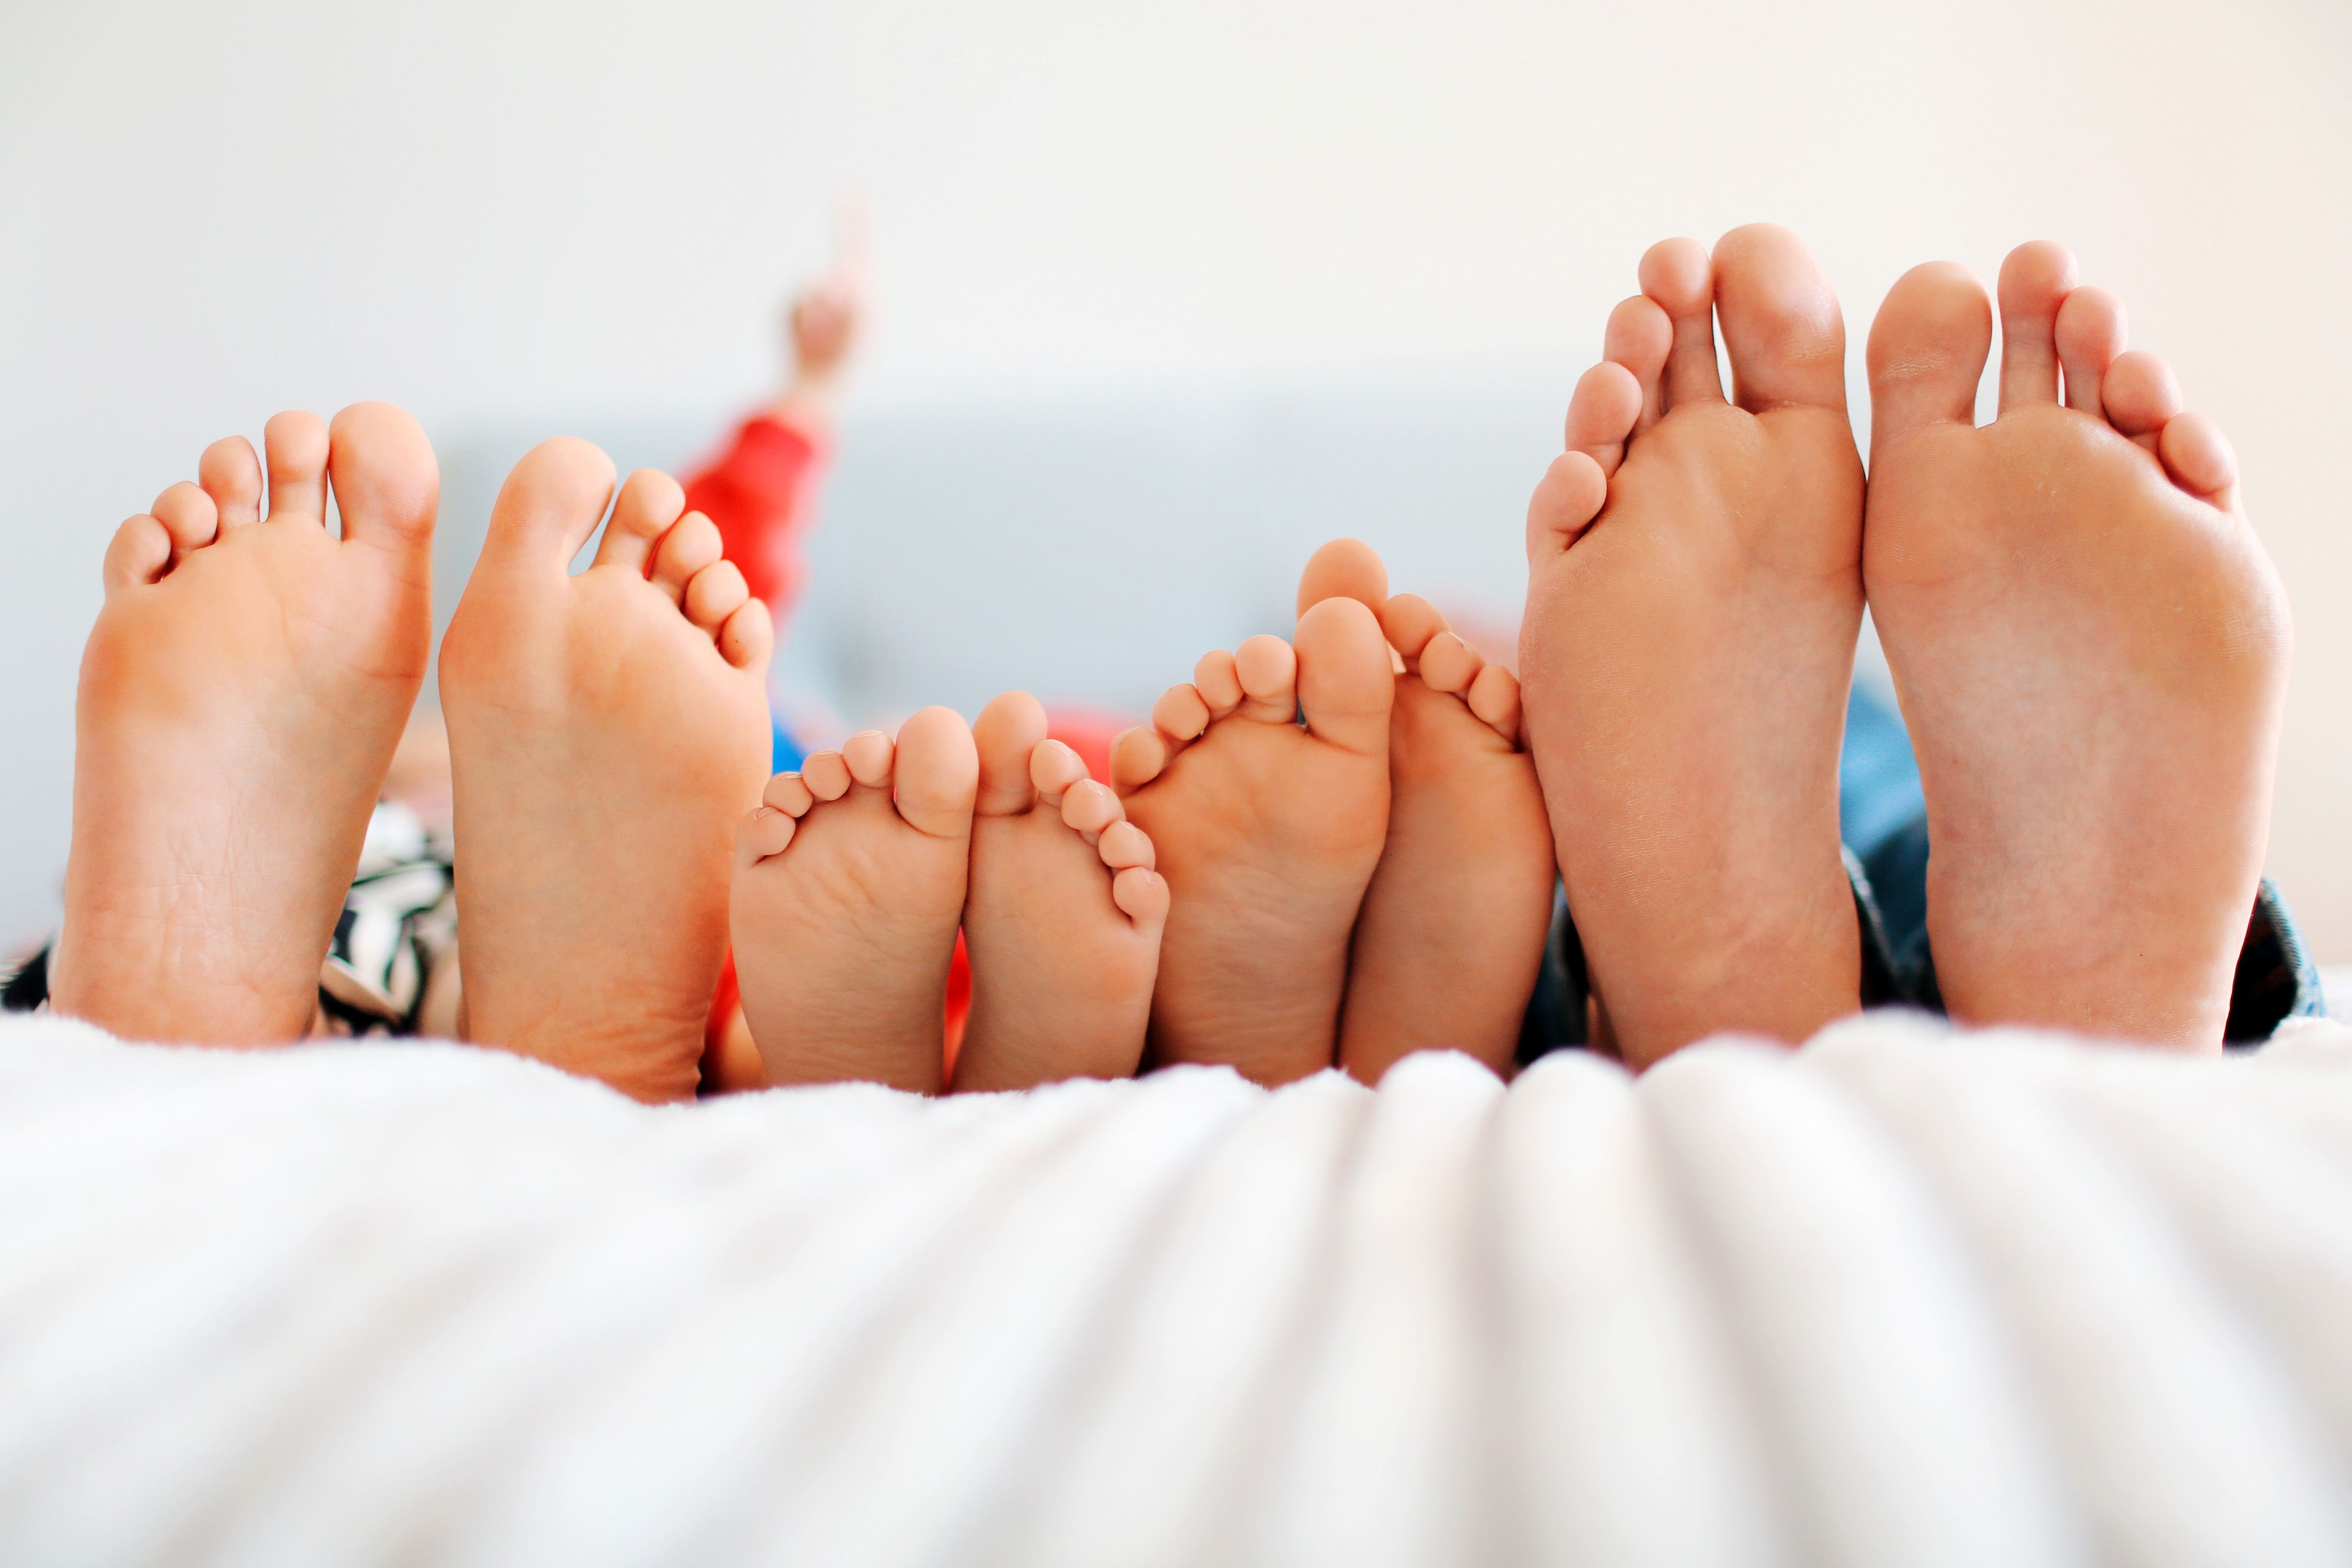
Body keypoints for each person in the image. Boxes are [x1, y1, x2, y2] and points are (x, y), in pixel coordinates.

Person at [21, 228, 2315, 1101]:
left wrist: (789, 428)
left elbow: (693, 572)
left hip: (734, 904)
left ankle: (210, 1006)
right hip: (749, 884)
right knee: (1802, 765)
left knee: (783, 831)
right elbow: (692, 584)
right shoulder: (710, 734)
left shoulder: (742, 741)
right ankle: (1802, 953)